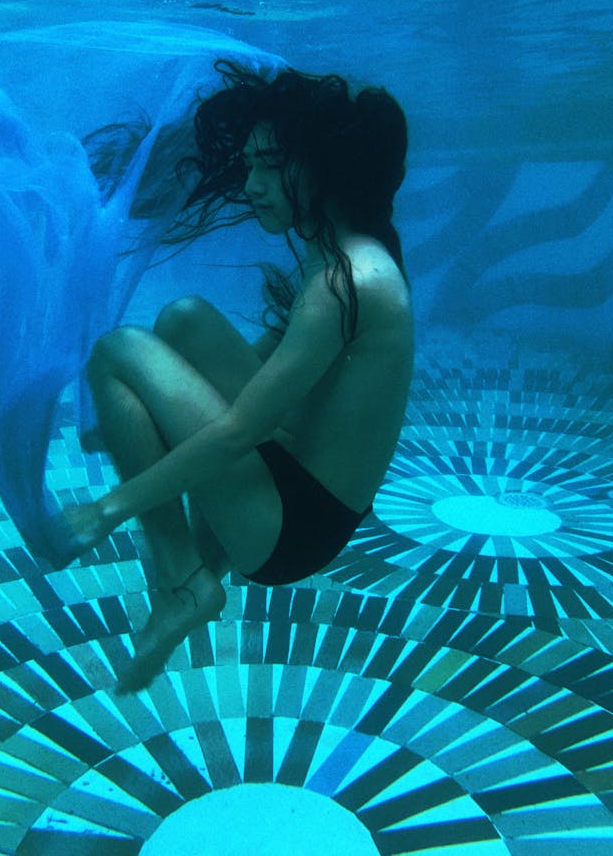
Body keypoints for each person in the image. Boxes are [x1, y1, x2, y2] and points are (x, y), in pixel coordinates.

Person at [52, 62, 414, 692]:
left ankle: (184, 584)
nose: (252, 185)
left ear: (325, 165)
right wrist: (140, 418)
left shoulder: (344, 281)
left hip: (293, 532)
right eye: (249, 166)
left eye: (271, 166)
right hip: (311, 494)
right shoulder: (352, 252)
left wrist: (106, 509)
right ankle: (196, 565)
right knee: (183, 319)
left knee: (116, 351)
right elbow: (255, 381)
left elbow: (238, 430)